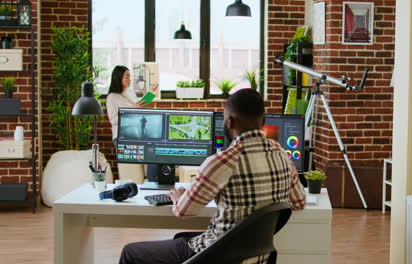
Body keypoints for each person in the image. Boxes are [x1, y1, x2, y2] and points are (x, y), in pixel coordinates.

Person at [119, 89, 307, 264]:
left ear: (229, 122)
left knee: (130, 252)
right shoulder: (282, 154)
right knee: (182, 238)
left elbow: (183, 212)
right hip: (256, 257)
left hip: (217, 257)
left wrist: (178, 197)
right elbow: (299, 202)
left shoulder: (223, 162)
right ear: (263, 120)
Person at [106, 65, 159, 183]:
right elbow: (113, 120)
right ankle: (152, 183)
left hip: (137, 133)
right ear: (118, 78)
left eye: (130, 76)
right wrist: (131, 109)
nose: (130, 79)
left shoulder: (129, 92)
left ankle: (153, 184)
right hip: (122, 136)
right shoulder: (112, 97)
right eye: (127, 77)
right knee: (152, 154)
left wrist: (152, 92)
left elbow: (139, 106)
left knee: (155, 152)